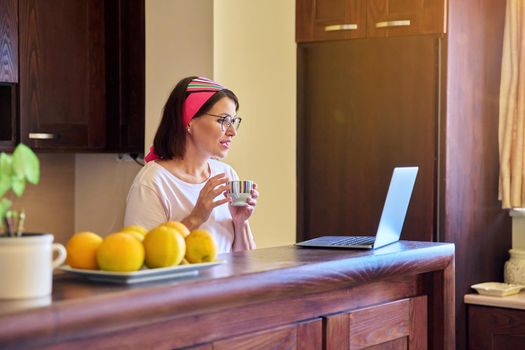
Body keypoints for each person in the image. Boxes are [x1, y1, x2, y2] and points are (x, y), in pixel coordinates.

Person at [124, 76, 257, 252]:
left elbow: (245, 264)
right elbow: (142, 259)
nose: (232, 131)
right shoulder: (152, 182)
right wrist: (196, 218)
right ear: (189, 121)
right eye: (223, 120)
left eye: (233, 121)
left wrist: (241, 223)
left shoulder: (227, 175)